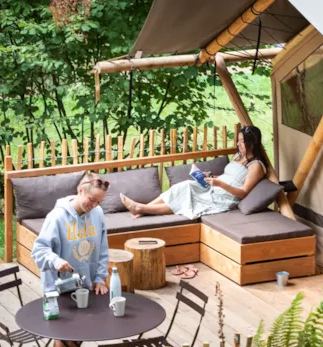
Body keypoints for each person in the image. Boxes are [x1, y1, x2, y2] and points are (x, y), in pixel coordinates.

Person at [121, 124, 268, 220]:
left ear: (252, 143)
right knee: (184, 185)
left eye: (241, 141)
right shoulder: (238, 156)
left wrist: (220, 184)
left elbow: (243, 192)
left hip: (225, 197)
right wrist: (211, 177)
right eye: (238, 140)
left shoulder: (256, 166)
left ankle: (141, 208)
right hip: (216, 187)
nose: (237, 144)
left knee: (188, 194)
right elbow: (228, 177)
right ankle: (140, 209)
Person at [32, 173, 111, 295]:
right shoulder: (57, 217)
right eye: (91, 199)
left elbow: (103, 250)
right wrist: (56, 261)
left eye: (99, 202)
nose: (94, 205)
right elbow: (39, 251)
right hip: (57, 292)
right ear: (80, 190)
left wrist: (100, 278)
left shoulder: (98, 213)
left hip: (87, 289)